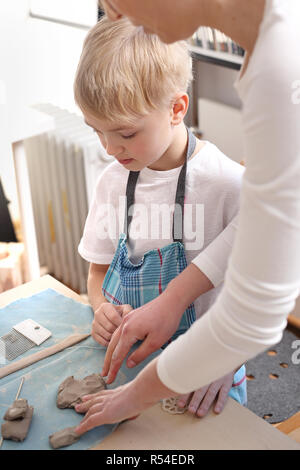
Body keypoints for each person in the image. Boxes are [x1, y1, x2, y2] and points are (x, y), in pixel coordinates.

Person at [74, 0, 300, 435]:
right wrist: (101, 307)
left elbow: (254, 301)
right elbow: (98, 271)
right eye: (95, 130)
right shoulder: (113, 181)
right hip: (133, 363)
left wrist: (218, 357)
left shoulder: (226, 183)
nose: (108, 148)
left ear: (177, 109)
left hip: (204, 382)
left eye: (125, 133)